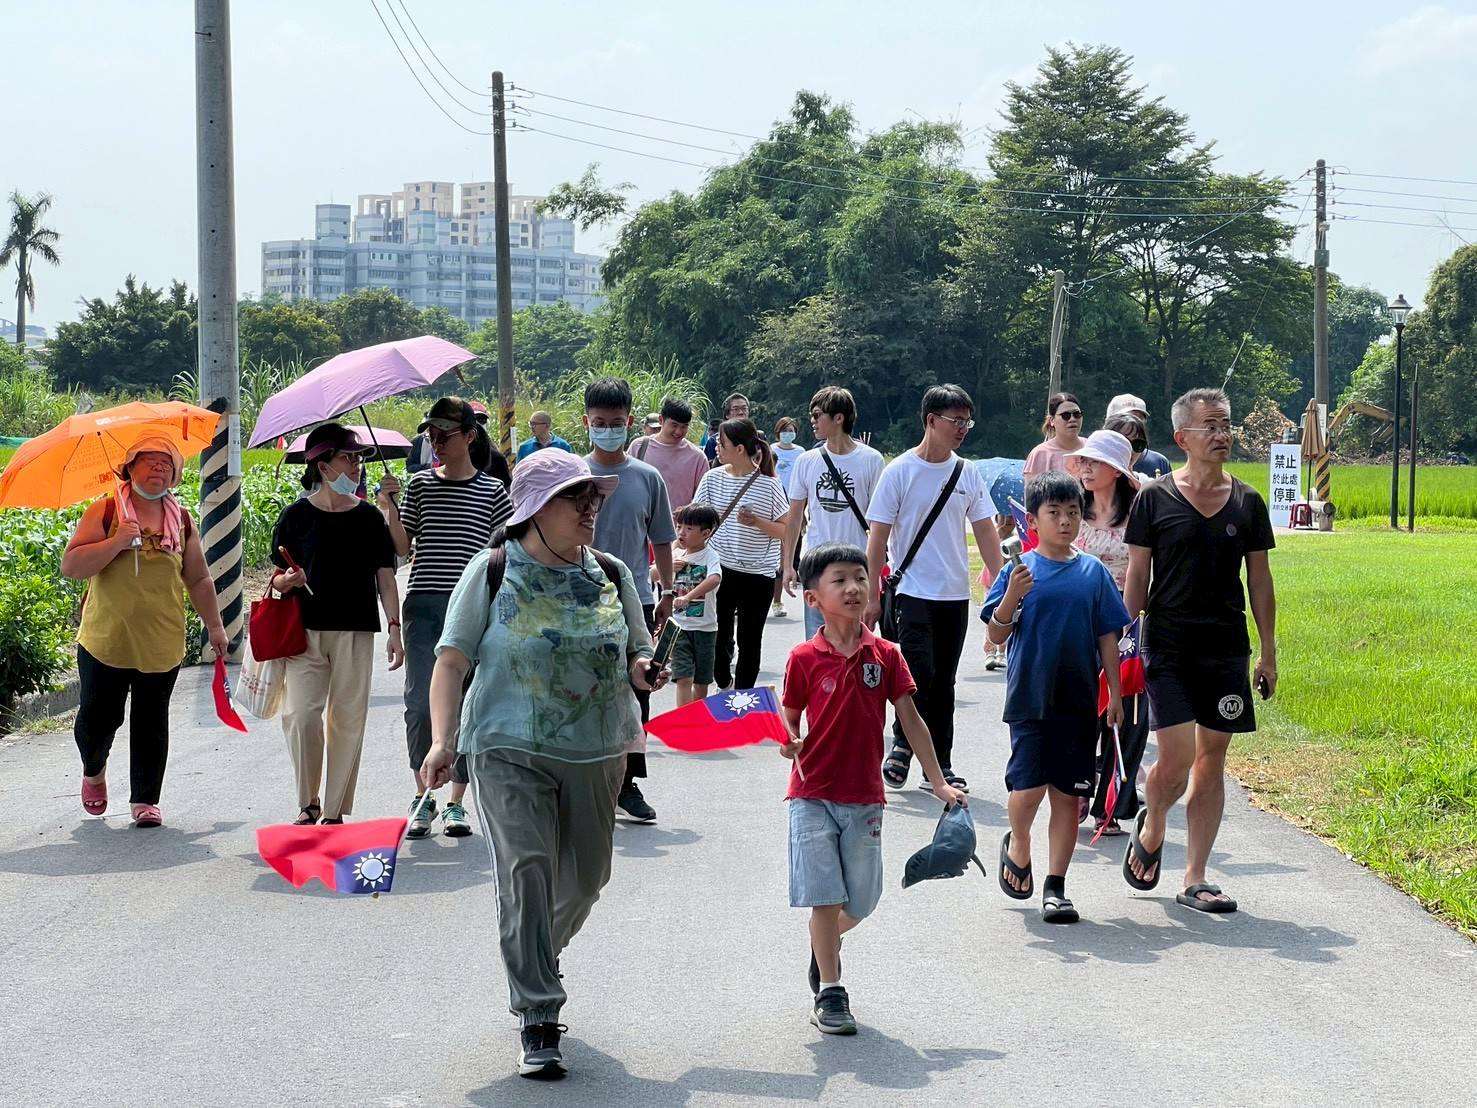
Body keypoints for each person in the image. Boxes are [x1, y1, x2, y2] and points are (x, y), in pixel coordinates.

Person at [419, 449, 667, 1080]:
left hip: (597, 747)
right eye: (575, 498)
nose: (591, 509)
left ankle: (532, 951)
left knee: (586, 878)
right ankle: (537, 1010)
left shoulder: (610, 573)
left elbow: (638, 650)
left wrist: (645, 669)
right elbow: (450, 661)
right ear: (534, 507)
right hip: (506, 744)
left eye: (594, 499)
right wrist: (442, 741)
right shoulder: (494, 570)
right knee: (527, 867)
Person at [782, 542, 966, 1034]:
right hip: (811, 793)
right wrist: (789, 737)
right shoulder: (803, 657)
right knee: (824, 895)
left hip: (864, 796)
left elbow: (912, 720)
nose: (852, 587)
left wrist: (939, 781)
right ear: (812, 597)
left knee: (860, 901)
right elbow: (789, 713)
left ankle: (823, 947)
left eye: (860, 578)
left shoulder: (886, 655)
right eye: (839, 579)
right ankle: (832, 991)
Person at [1123, 387, 1277, 914]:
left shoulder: (1248, 502)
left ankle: (1196, 876)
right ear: (1181, 436)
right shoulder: (1154, 499)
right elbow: (1138, 576)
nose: (1221, 434)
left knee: (1212, 759)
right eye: (1209, 426)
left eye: (1226, 424)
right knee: (1178, 757)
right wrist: (1124, 637)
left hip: (1225, 647)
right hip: (1166, 644)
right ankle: (1155, 818)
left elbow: (1260, 580)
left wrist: (1268, 650)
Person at [982, 471, 1129, 924]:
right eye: (1054, 513)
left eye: (1071, 513)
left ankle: (1056, 887)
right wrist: (1012, 597)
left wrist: (1116, 695)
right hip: (1029, 697)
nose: (1064, 522)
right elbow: (995, 632)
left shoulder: (1093, 572)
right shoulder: (1018, 570)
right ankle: (1019, 842)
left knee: (1068, 797)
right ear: (1033, 520)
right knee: (1027, 791)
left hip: (1079, 701)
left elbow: (1108, 635)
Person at [61, 438, 230, 828]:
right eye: (149, 462)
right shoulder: (105, 512)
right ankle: (94, 770)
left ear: (175, 473)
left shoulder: (182, 519)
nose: (158, 469)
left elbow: (200, 578)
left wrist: (215, 626)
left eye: (166, 464)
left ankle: (145, 799)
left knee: (152, 718)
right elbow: (72, 565)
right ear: (129, 468)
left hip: (162, 637)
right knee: (99, 718)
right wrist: (117, 540)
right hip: (107, 639)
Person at [377, 397, 513, 839]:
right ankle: (423, 797)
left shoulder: (493, 491)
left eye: (444, 434)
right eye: (429, 434)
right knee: (419, 705)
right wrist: (389, 506)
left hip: (474, 606)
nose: (434, 441)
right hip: (425, 604)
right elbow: (401, 548)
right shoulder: (418, 485)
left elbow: (506, 553)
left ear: (469, 437)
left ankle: (455, 802)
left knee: (468, 705)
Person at [865, 384, 1002, 794]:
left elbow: (986, 534)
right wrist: (872, 595)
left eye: (966, 422)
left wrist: (1000, 588)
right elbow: (877, 539)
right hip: (911, 591)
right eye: (954, 421)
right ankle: (905, 744)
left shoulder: (968, 473)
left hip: (955, 594)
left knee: (944, 682)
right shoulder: (900, 471)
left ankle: (936, 763)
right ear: (930, 420)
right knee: (918, 674)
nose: (962, 429)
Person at [270, 424, 404, 825]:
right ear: (323, 466)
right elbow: (276, 580)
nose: (357, 466)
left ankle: (331, 810)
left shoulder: (368, 518)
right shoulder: (295, 517)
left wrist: (395, 627)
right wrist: (287, 582)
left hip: (355, 628)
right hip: (304, 631)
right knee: (301, 715)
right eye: (348, 458)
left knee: (347, 717)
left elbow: (385, 574)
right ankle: (306, 800)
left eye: (359, 458)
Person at [584, 376, 676, 824]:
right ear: (586, 422)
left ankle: (626, 783)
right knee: (582, 687)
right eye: (599, 423)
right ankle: (586, 777)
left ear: (630, 422)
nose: (607, 429)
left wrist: (668, 593)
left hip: (634, 600)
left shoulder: (647, 478)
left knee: (636, 691)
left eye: (615, 422)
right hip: (580, 600)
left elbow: (661, 540)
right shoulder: (573, 476)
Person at [1066, 429, 1145, 836]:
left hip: (1124, 622)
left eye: (1093, 462)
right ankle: (1078, 787)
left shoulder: (1138, 513)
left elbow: (1141, 569)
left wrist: (1128, 623)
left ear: (1115, 470)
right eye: (1082, 461)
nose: (1085, 467)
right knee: (1081, 708)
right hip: (1078, 620)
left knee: (1124, 716)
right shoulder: (1072, 509)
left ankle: (1112, 804)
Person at [691, 418, 790, 691]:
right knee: (719, 635)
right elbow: (698, 515)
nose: (717, 449)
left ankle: (742, 698)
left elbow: (786, 530)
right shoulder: (712, 479)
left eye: (721, 444)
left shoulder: (769, 485)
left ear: (739, 449)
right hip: (721, 569)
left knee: (749, 639)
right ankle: (724, 684)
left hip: (759, 574)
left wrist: (757, 522)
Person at [782, 386, 885, 639]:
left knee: (853, 640)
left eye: (818, 415)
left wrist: (875, 575)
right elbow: (794, 517)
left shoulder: (871, 459)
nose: (813, 421)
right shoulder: (807, 460)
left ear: (839, 418)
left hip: (856, 564)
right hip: (817, 562)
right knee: (816, 642)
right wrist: (787, 565)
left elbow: (880, 522)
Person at [669, 504, 722, 705]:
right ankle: (682, 723)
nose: (682, 532)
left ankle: (695, 719)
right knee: (683, 677)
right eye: (680, 526)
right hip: (679, 628)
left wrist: (688, 597)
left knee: (701, 682)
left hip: (705, 628)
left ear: (705, 533)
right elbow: (652, 574)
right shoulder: (675, 555)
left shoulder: (710, 556)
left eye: (689, 529)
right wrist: (666, 568)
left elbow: (714, 579)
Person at [628, 395, 710, 511]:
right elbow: (627, 483)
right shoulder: (639, 447)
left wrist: (687, 512)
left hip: (679, 527)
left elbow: (703, 499)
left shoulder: (697, 458)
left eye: (684, 426)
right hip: (641, 523)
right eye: (674, 425)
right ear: (661, 420)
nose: (679, 431)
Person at [769, 416, 806, 618]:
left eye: (791, 429)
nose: (788, 433)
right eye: (784, 429)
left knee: (786, 554)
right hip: (773, 504)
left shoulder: (801, 453)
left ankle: (777, 600)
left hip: (794, 504)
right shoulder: (770, 450)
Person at [1106, 394, 1172, 479]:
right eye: (1127, 418)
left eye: (1140, 419)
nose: (1135, 424)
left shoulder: (1159, 462)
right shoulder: (1092, 461)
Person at [1024, 392, 1085, 476]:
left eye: (1077, 414)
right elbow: (1030, 488)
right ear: (1052, 420)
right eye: (1065, 415)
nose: (1072, 419)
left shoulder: (1091, 448)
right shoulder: (1040, 454)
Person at [466, 399, 513, 489]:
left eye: (482, 419)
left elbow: (506, 489)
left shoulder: (496, 457)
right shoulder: (455, 454)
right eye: (473, 419)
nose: (478, 423)